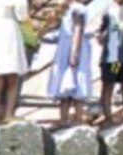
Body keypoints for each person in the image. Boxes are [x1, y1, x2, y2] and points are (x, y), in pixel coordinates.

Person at [48, 0, 92, 128]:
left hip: (72, 47)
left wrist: (74, 53)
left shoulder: (77, 9)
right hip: (66, 46)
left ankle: (76, 118)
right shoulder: (67, 8)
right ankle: (65, 118)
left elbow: (78, 30)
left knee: (75, 81)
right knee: (66, 84)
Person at [99, 0, 123, 125]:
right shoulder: (110, 10)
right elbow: (102, 32)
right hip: (114, 58)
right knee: (109, 85)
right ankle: (109, 118)